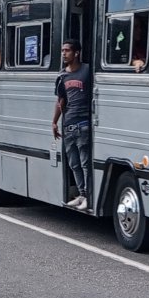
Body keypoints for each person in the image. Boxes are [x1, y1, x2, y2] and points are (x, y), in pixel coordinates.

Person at [52, 39, 91, 211]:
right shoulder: (62, 76)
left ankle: (89, 195)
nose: (64, 53)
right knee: (74, 164)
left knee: (85, 162)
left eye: (67, 50)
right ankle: (82, 194)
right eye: (62, 50)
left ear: (76, 53)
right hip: (68, 124)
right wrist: (54, 122)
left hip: (83, 124)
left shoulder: (88, 71)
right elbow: (60, 101)